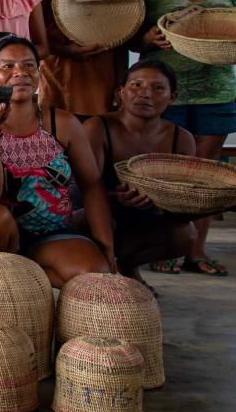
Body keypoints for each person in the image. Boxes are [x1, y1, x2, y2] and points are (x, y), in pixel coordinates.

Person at [0, 35, 113, 288]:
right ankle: (1, 279)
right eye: (8, 66)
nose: (20, 72)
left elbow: (92, 185)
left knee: (95, 275)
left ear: (39, 75)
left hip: (51, 233)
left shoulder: (63, 123)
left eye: (29, 65)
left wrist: (106, 249)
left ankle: (19, 279)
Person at [134, 0, 236, 277]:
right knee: (167, 173)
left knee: (205, 175)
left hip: (216, 90)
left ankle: (196, 249)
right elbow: (128, 37)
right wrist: (146, 39)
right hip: (162, 94)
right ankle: (170, 246)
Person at [84, 60, 197, 294]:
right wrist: (116, 198)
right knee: (87, 220)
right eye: (136, 85)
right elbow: (83, 188)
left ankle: (128, 266)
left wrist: (164, 201)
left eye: (158, 88)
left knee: (185, 234)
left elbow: (185, 195)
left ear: (172, 97)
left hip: (149, 216)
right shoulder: (98, 127)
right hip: (99, 215)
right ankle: (104, 271)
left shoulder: (181, 138)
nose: (145, 94)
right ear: (121, 92)